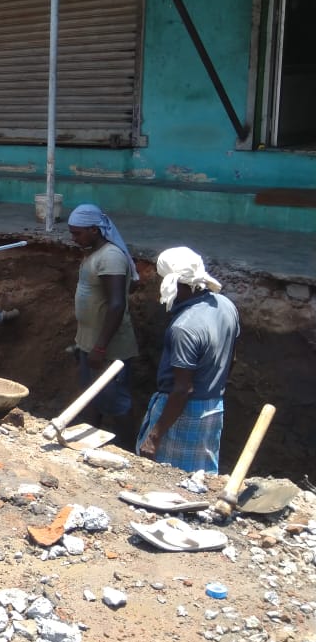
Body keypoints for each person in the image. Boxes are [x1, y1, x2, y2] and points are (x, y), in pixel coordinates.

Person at [136, 247, 240, 474]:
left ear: (171, 282)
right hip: (212, 409)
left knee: (162, 479)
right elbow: (231, 358)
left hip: (181, 412)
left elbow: (183, 388)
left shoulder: (184, 328)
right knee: (200, 479)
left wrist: (155, 437)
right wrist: (213, 386)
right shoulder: (225, 306)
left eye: (160, 278)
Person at [67, 203, 139, 445]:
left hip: (108, 348)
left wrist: (100, 348)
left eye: (77, 233)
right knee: (91, 397)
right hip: (90, 344)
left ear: (94, 230)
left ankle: (129, 452)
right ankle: (86, 444)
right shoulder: (94, 255)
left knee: (117, 402)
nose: (73, 238)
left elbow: (116, 304)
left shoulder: (110, 257)